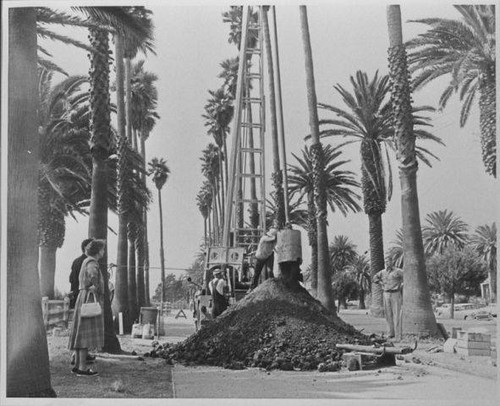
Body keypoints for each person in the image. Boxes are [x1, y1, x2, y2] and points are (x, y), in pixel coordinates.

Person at [68, 239, 106, 376]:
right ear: (97, 250)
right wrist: (96, 285)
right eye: (102, 249)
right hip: (88, 299)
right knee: (85, 334)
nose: (103, 251)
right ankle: (83, 369)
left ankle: (78, 366)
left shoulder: (86, 260)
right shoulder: (91, 262)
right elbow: (92, 274)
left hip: (82, 298)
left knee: (80, 334)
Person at [373, 257, 404, 341]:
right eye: (386, 261)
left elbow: (407, 277)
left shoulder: (398, 271)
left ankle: (398, 335)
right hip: (386, 293)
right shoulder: (382, 272)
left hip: (395, 293)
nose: (387, 263)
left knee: (397, 314)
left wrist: (401, 285)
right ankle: (390, 333)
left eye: (389, 261)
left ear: (392, 262)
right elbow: (375, 278)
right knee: (388, 314)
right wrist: (381, 283)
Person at [250, 226, 278, 290]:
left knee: (270, 271)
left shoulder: (274, 241)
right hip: (260, 258)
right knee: (257, 274)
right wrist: (277, 236)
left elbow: (276, 245)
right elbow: (272, 239)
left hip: (269, 256)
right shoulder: (264, 238)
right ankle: (252, 288)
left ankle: (273, 286)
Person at [69, 238, 94, 309]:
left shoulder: (76, 261)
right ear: (85, 247)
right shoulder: (88, 261)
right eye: (91, 245)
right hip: (84, 294)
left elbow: (71, 279)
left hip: (75, 293)